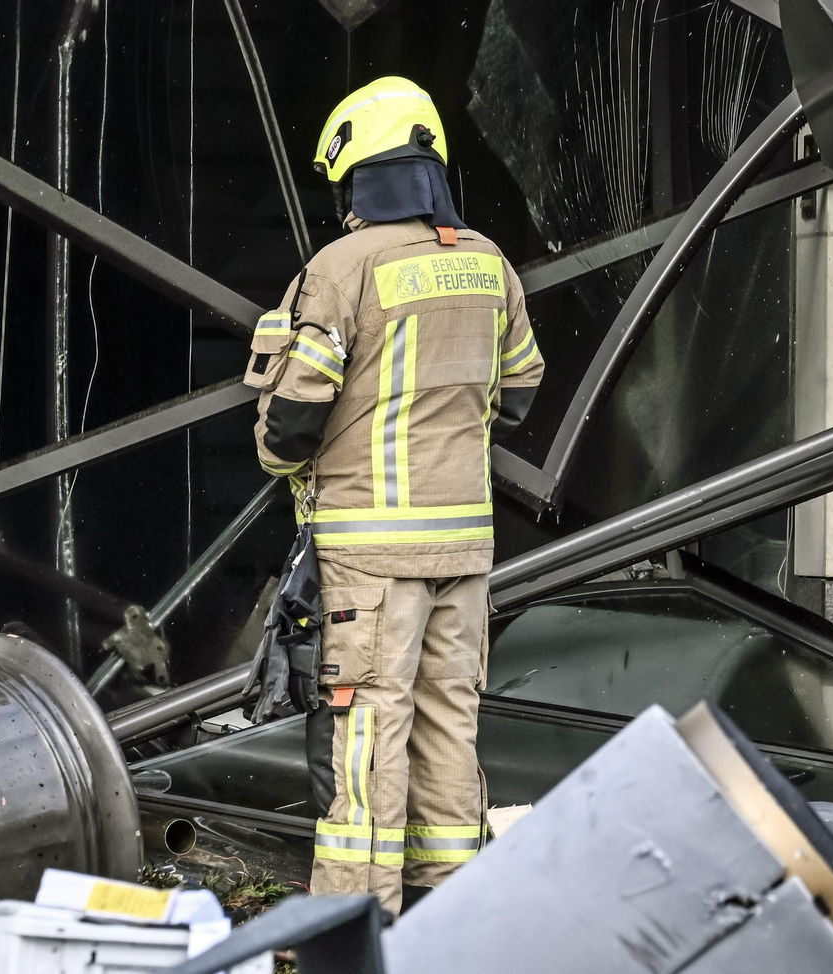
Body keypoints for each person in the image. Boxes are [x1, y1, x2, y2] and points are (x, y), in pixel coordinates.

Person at [245, 76, 543, 916]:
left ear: (355, 176)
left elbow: (289, 430)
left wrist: (275, 412)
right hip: (466, 546)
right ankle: (450, 913)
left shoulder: (340, 269)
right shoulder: (488, 265)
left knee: (368, 730)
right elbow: (519, 390)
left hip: (371, 551)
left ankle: (355, 921)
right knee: (451, 721)